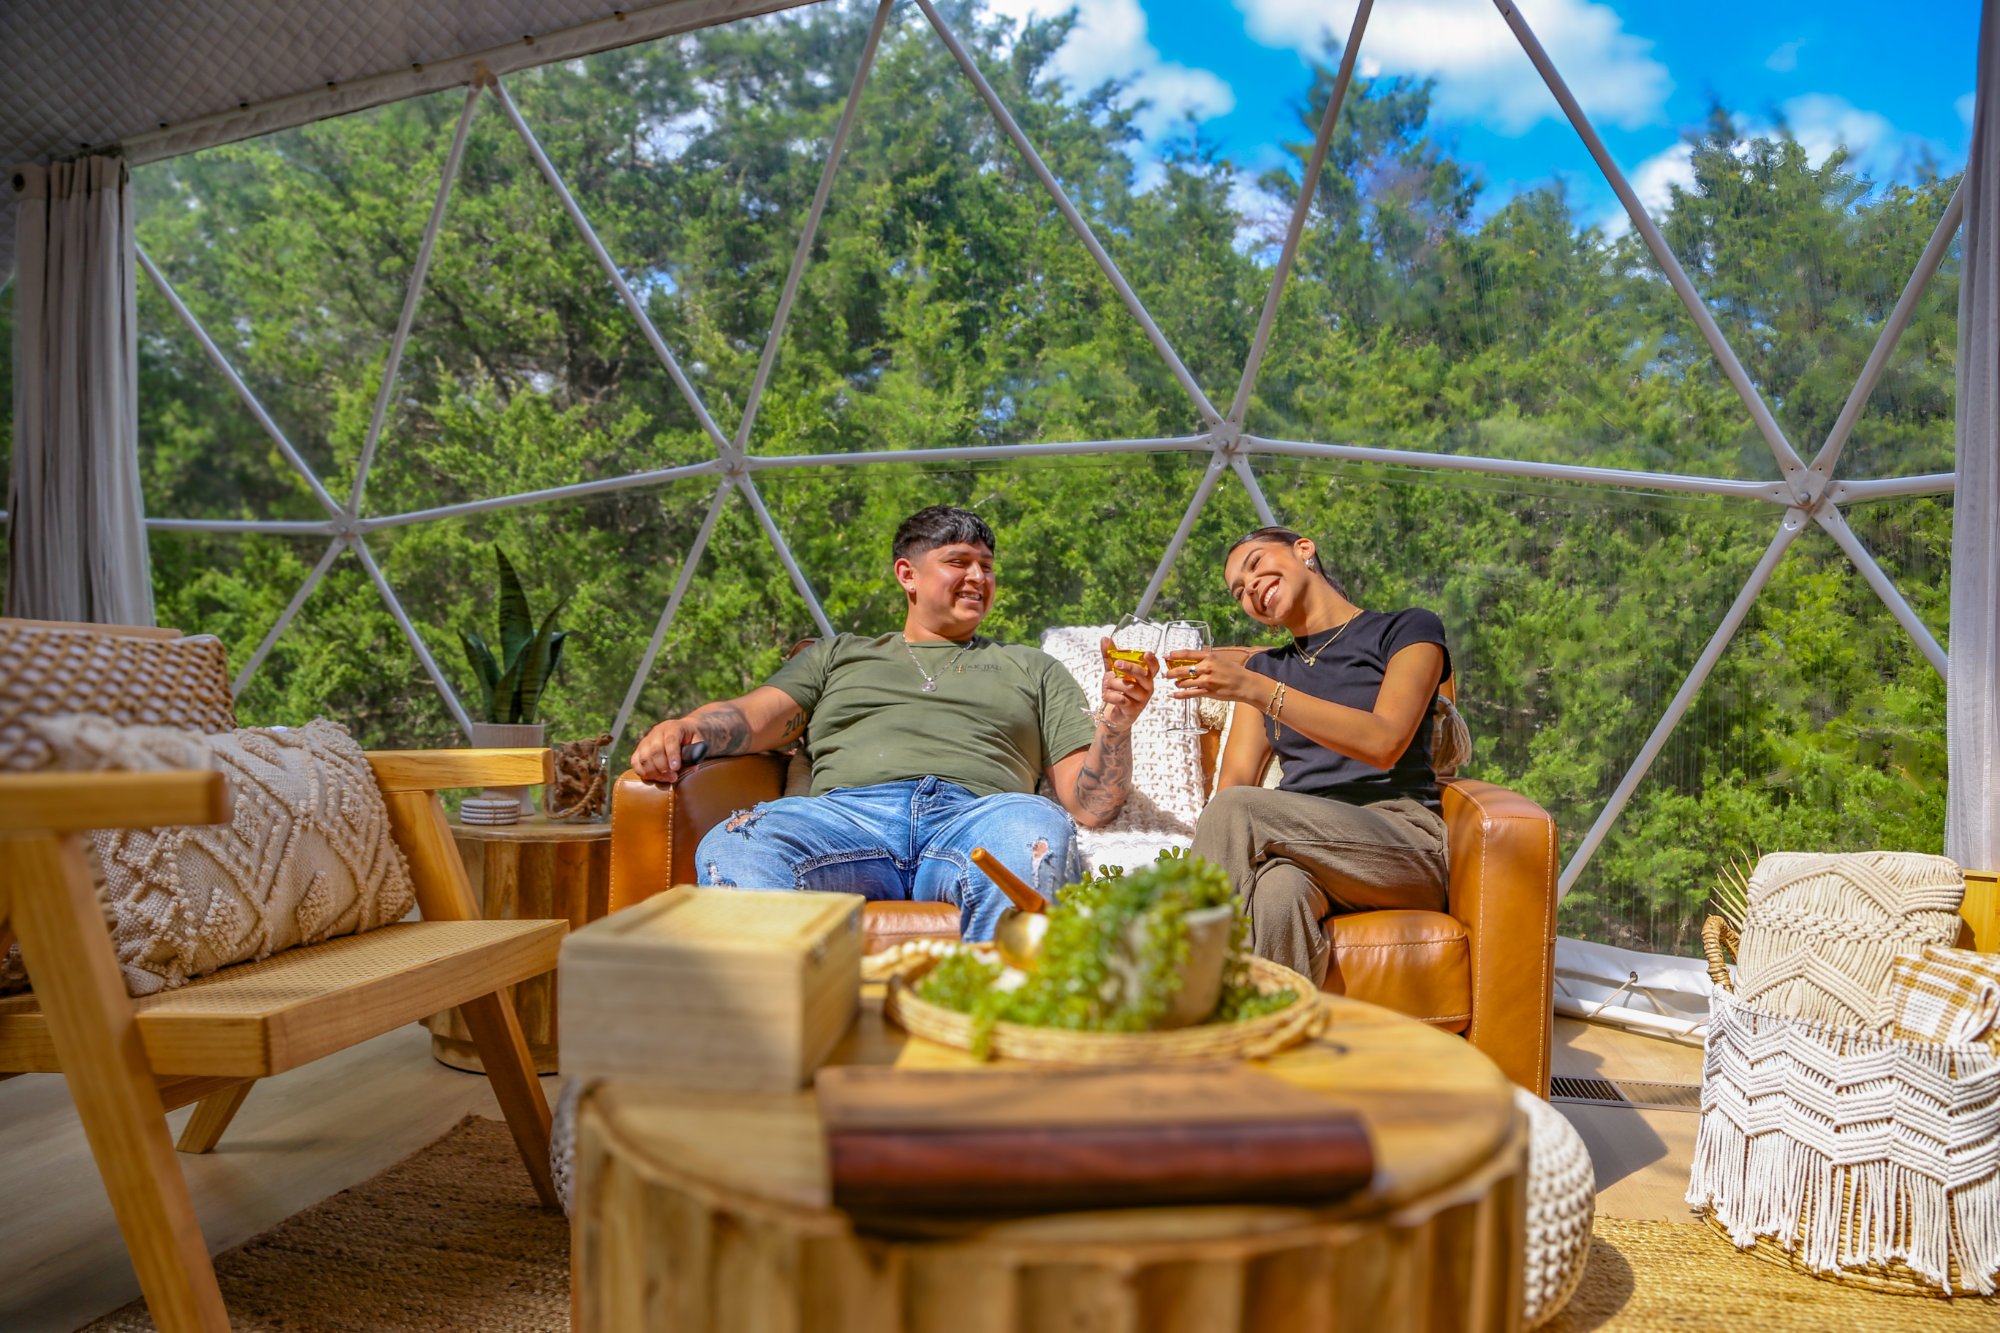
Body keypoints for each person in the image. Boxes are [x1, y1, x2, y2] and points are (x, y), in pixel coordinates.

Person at [630, 505, 1155, 941]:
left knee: (1035, 835)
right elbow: (752, 717)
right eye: (959, 562)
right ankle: (777, 1033)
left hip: (979, 816)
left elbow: (1090, 807)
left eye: (988, 566)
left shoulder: (1033, 668)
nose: (979, 578)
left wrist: (1116, 725)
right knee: (735, 844)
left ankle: (998, 1033)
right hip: (845, 819)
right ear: (908, 574)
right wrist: (686, 727)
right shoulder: (838, 657)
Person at [1168, 527, 1450, 985]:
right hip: (1303, 852)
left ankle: (1177, 993)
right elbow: (1233, 784)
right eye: (1238, 591)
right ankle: (1273, 1045)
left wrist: (1256, 690)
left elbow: (1384, 742)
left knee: (1239, 810)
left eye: (1255, 564)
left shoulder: (1406, 629)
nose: (1250, 587)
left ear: (1304, 550)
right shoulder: (1264, 669)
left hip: (1401, 842)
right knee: (1279, 893)